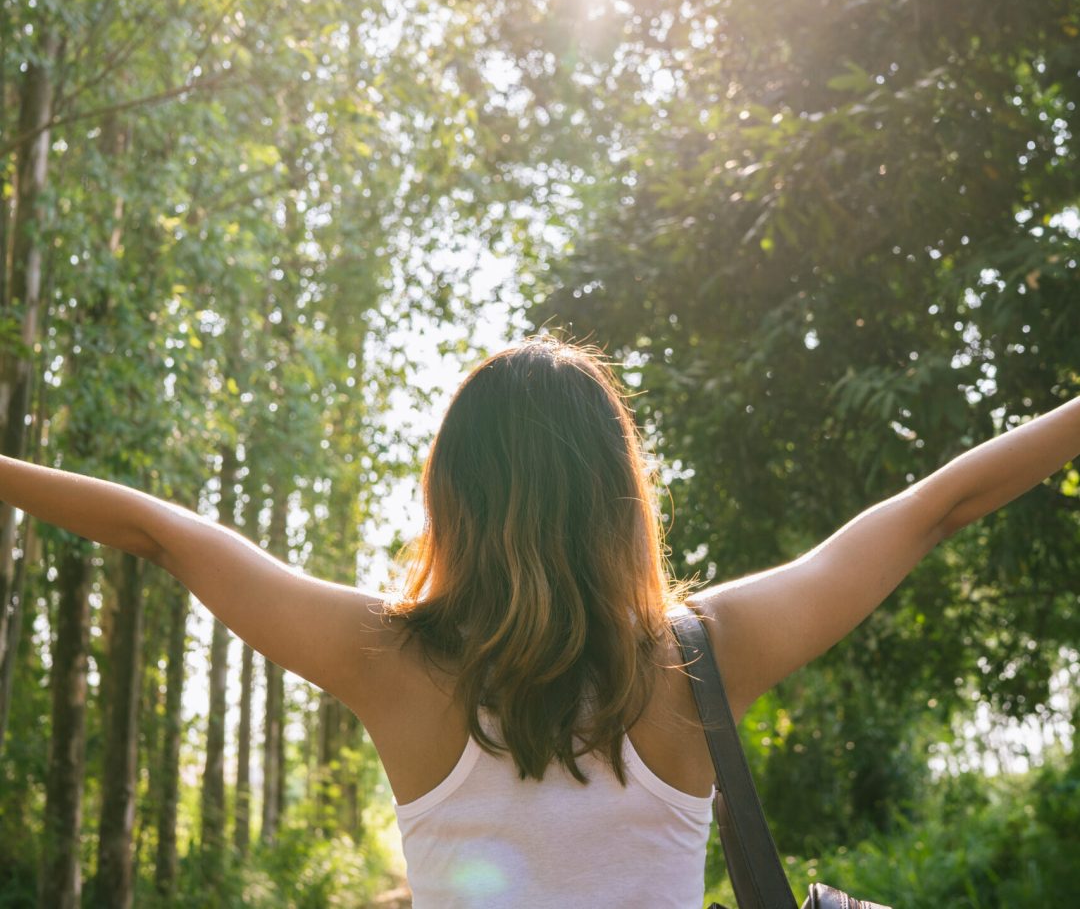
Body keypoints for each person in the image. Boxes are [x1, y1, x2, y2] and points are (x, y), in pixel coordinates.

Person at [1, 335, 1077, 907]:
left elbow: (165, 535)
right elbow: (937, 508)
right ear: (621, 490)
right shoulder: (704, 655)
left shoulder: (389, 662)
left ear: (449, 497)